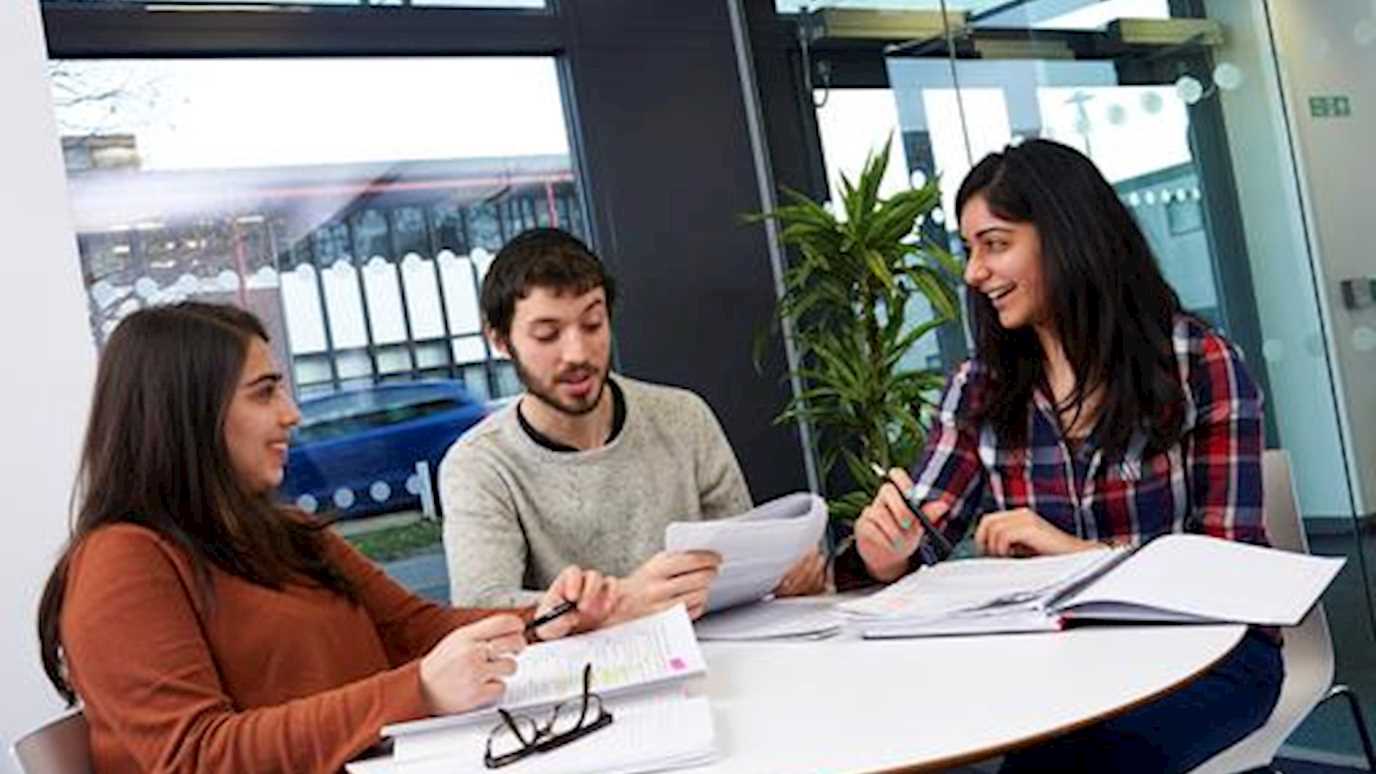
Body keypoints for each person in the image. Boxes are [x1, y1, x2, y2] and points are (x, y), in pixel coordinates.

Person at [36, 302, 619, 773]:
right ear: (189, 416)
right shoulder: (122, 562)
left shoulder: (284, 530)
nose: (291, 414)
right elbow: (196, 757)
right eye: (264, 393)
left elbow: (415, 629)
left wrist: (546, 621)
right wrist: (417, 691)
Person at [852, 139, 1281, 773]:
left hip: (1210, 657)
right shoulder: (982, 385)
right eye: (971, 249)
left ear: (1067, 236)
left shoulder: (1199, 364)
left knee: (1078, 760)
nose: (973, 272)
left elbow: (1231, 579)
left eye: (995, 244)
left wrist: (1070, 554)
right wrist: (884, 549)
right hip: (1060, 663)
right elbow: (921, 526)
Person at [441, 227, 826, 617]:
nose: (577, 353)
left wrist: (782, 577)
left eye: (593, 324)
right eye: (547, 335)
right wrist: (623, 601)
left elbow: (739, 558)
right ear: (501, 341)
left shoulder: (683, 417)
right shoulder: (478, 465)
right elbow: (481, 609)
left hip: (715, 657)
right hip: (585, 674)